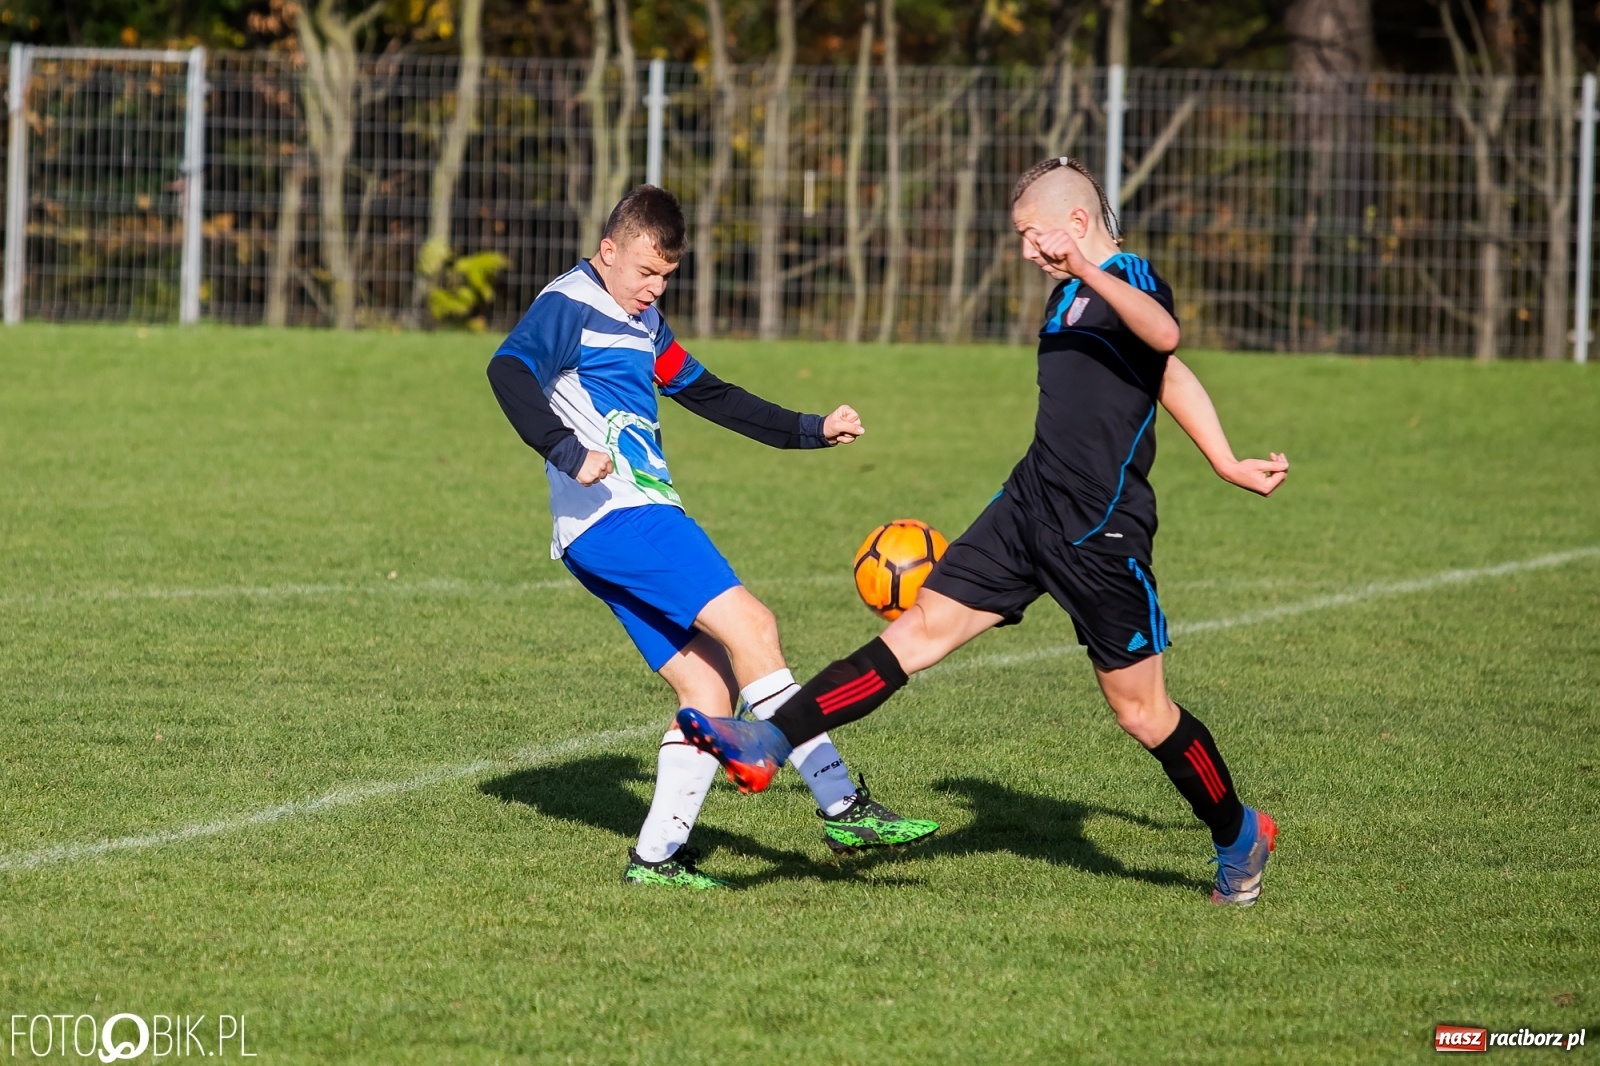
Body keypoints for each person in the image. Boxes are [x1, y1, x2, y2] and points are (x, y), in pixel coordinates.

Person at [677, 158, 1290, 906]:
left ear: (1076, 224)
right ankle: (770, 740)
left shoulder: (1126, 276)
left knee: (1141, 712)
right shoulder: (1067, 295)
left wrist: (1222, 459)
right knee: (918, 631)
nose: (1027, 251)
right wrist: (1221, 456)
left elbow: (1165, 339)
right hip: (1026, 505)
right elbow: (1161, 370)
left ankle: (1239, 833)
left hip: (1099, 532)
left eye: (1034, 235)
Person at [487, 185, 937, 889]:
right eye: (645, 271)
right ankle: (843, 805)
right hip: (622, 513)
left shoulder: (645, 323)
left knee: (709, 685)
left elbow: (708, 393)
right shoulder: (569, 303)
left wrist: (810, 429)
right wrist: (565, 449)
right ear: (608, 250)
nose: (654, 288)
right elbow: (508, 368)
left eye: (666, 275)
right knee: (754, 627)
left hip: (598, 531)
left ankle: (656, 859)